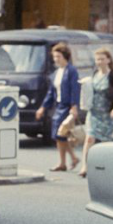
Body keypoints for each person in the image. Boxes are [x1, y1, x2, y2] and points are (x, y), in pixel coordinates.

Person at [78, 48, 113, 176]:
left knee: (104, 143)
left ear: (108, 60)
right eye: (97, 59)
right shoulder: (94, 74)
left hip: (107, 114)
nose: (99, 62)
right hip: (94, 113)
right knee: (89, 139)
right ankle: (84, 166)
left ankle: (104, 167)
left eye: (102, 59)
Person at [36, 42, 80, 171]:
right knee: (59, 135)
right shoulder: (56, 73)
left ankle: (67, 161)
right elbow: (51, 92)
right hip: (58, 106)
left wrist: (74, 106)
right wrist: (43, 107)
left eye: (58, 56)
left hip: (67, 106)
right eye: (54, 57)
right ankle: (68, 160)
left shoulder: (71, 71)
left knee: (60, 134)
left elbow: (75, 89)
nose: (56, 59)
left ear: (65, 56)